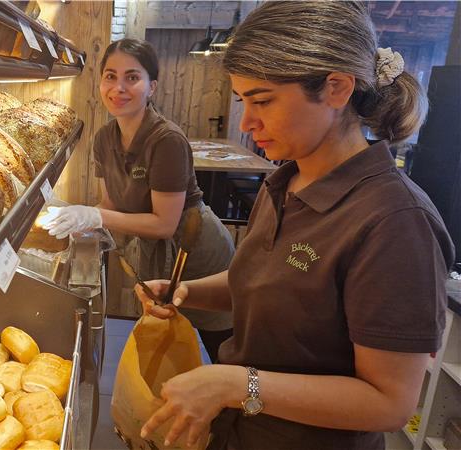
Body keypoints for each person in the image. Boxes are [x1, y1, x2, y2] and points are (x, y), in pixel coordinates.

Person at [135, 2, 456, 450]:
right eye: (243, 102)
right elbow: (269, 282)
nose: (247, 123)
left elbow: (389, 403)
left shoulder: (396, 223)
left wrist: (235, 385)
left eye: (263, 101)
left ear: (337, 88)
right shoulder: (284, 182)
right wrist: (186, 291)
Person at [40, 38, 235, 363]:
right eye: (110, 76)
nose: (119, 88)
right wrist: (77, 222)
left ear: (152, 86)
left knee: (222, 348)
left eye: (132, 77)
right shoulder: (105, 139)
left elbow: (164, 224)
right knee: (168, 345)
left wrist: (95, 217)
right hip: (154, 257)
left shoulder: (166, 140)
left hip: (194, 253)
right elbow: (111, 205)